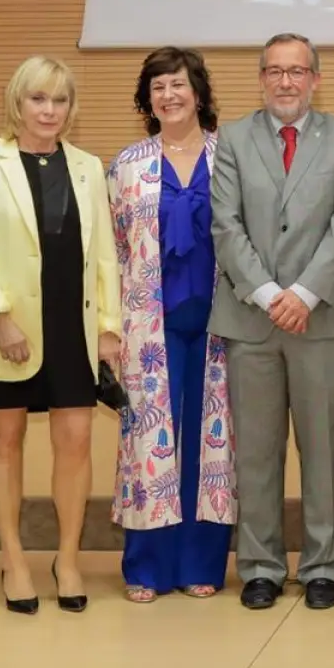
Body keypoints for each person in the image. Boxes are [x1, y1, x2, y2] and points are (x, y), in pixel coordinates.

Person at [0, 55, 122, 615]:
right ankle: (14, 558)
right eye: (38, 99)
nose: (50, 110)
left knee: (75, 442)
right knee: (6, 441)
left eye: (61, 100)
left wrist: (109, 329)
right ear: (17, 103)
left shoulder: (89, 166)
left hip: (73, 325)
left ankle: (67, 558)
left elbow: (105, 259)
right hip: (8, 329)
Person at [210, 33, 334, 612]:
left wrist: (303, 293)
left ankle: (324, 564)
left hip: (321, 316)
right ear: (260, 78)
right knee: (255, 449)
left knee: (322, 447)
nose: (285, 82)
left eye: (297, 71)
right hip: (251, 315)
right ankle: (260, 566)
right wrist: (272, 294)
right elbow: (226, 225)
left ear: (315, 79)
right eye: (274, 71)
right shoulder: (232, 138)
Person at [107, 47, 235, 602]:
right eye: (158, 86)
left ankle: (201, 561)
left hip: (221, 320)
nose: (169, 95)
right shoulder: (127, 165)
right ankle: (148, 567)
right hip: (147, 325)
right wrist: (109, 328)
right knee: (148, 441)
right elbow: (108, 253)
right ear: (147, 98)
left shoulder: (229, 156)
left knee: (212, 441)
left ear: (199, 92)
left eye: (178, 84)